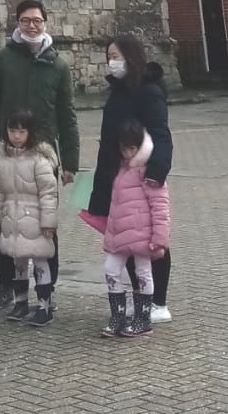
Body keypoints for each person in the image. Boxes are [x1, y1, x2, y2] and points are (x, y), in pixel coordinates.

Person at [0, 0, 79, 314]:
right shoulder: (4, 59)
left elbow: (68, 115)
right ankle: (6, 285)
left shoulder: (57, 65)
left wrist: (71, 162)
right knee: (10, 220)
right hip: (9, 150)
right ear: (17, 24)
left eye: (36, 20)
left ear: (45, 23)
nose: (31, 25)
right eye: (25, 20)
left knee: (45, 221)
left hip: (45, 153)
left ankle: (47, 291)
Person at [88, 36, 174, 324]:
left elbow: (161, 134)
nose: (112, 61)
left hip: (141, 175)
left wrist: (155, 172)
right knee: (123, 239)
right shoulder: (118, 91)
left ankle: (158, 302)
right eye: (109, 55)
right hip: (116, 173)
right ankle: (141, 298)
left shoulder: (148, 91)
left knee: (151, 240)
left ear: (130, 56)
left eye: (116, 55)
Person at [100, 118, 171, 340]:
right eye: (124, 147)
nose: (128, 151)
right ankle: (118, 316)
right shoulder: (120, 169)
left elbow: (160, 206)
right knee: (111, 269)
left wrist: (160, 238)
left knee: (143, 274)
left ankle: (143, 319)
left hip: (142, 236)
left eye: (132, 147)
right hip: (119, 234)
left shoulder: (149, 171)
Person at [0, 108, 59, 327]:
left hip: (35, 221)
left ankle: (44, 305)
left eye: (21, 131)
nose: (16, 136)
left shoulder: (40, 160)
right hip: (13, 221)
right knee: (18, 262)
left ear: (30, 133)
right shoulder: (2, 161)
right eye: (12, 131)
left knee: (39, 261)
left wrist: (48, 222)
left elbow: (49, 192)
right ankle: (20, 303)